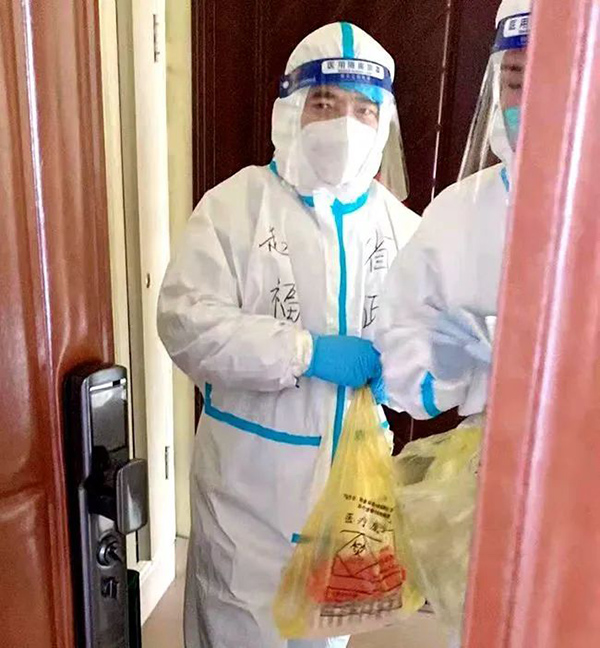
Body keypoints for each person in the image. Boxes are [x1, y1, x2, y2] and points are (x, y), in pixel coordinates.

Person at [157, 22, 420, 648]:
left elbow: (430, 345)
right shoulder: (236, 207)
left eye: (363, 109)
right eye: (324, 103)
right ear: (291, 110)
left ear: (383, 121)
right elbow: (185, 322)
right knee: (236, 625)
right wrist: (306, 352)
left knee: (322, 636)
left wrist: (411, 373)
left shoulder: (403, 228)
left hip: (349, 484)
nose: (345, 125)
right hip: (247, 490)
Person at [376, 0, 532, 420]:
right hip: (488, 449)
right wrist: (441, 363)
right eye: (516, 82)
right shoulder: (458, 211)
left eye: (556, 76)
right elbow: (400, 354)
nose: (532, 101)